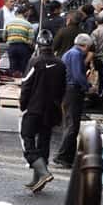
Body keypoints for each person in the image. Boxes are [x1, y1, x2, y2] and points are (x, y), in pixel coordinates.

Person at [20, 29, 66, 192]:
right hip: (51, 109)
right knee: (44, 142)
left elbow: (26, 85)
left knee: (27, 140)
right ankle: (38, 178)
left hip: (34, 108)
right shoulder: (60, 64)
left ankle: (43, 173)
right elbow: (62, 89)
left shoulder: (35, 62)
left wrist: (22, 105)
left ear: (38, 45)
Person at [53, 34, 93, 169]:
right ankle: (62, 156)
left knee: (69, 124)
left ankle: (67, 157)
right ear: (86, 46)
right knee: (72, 125)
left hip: (67, 90)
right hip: (72, 91)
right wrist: (88, 86)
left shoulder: (70, 53)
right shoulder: (76, 54)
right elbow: (77, 75)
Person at [4, 6, 34, 76]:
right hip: (23, 48)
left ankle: (12, 84)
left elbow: (4, 37)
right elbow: (30, 41)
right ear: (25, 13)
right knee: (23, 69)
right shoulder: (28, 25)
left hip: (12, 47)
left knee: (13, 68)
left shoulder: (9, 23)